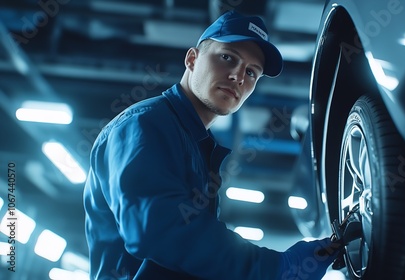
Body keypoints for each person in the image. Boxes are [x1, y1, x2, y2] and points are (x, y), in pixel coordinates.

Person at [83, 10, 339, 280]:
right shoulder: (145, 125)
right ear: (192, 59)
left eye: (252, 72)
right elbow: (157, 230)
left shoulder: (196, 144)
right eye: (228, 57)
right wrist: (274, 267)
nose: (238, 77)